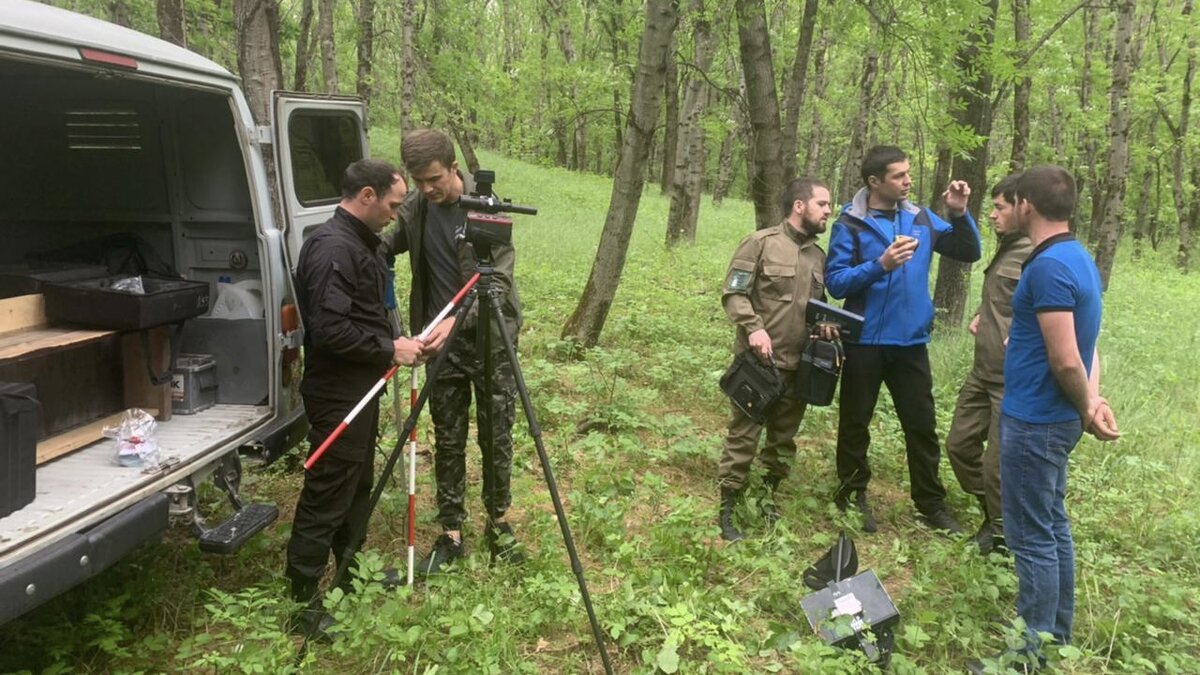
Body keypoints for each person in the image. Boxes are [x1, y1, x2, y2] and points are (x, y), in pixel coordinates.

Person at [972, 165, 1118, 669]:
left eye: (1011, 202)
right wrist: (1091, 402)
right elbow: (1083, 343)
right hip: (1053, 417)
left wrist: (1086, 404)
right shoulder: (1077, 257)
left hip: (1036, 419)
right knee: (1052, 526)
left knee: (1030, 538)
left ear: (1027, 206)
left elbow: (1066, 358)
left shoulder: (1049, 266)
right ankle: (1055, 635)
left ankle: (1025, 656)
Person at [286, 159, 429, 637]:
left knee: (356, 485)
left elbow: (365, 314)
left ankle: (350, 575)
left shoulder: (361, 245)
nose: (396, 215)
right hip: (337, 394)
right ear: (366, 196)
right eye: (392, 204)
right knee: (328, 491)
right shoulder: (332, 249)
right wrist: (389, 347)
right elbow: (328, 331)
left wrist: (399, 342)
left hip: (363, 388)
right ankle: (301, 602)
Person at [381, 129, 524, 573]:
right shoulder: (417, 208)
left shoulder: (487, 209)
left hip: (490, 340)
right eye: (418, 181)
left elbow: (495, 284)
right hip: (439, 348)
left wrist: (454, 318)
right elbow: (382, 243)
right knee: (448, 437)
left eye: (435, 179)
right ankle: (451, 532)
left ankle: (498, 522)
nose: (427, 189)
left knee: (496, 433)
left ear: (454, 167)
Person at [824, 145, 981, 533]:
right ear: (874, 182)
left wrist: (959, 214)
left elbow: (967, 250)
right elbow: (836, 282)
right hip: (864, 342)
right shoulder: (851, 224)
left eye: (908, 173)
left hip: (910, 342)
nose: (908, 181)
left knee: (921, 425)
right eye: (899, 175)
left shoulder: (922, 219)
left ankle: (930, 504)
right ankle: (851, 493)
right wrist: (881, 265)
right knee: (856, 422)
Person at [716, 177, 836, 541]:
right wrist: (753, 327)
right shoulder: (760, 244)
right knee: (744, 434)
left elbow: (818, 308)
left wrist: (826, 325)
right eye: (823, 204)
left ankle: (769, 497)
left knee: (783, 439)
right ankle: (729, 504)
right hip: (759, 364)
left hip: (799, 366)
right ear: (799, 206)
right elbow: (734, 293)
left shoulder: (818, 257)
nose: (829, 211)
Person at [946, 175, 1033, 554]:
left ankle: (1002, 538)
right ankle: (994, 512)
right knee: (959, 446)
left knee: (998, 466)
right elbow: (1007, 296)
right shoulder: (1008, 247)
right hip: (983, 372)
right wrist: (985, 312)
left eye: (1000, 208)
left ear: (1024, 207)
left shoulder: (1037, 252)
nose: (993, 216)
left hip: (1011, 380)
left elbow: (1052, 311)